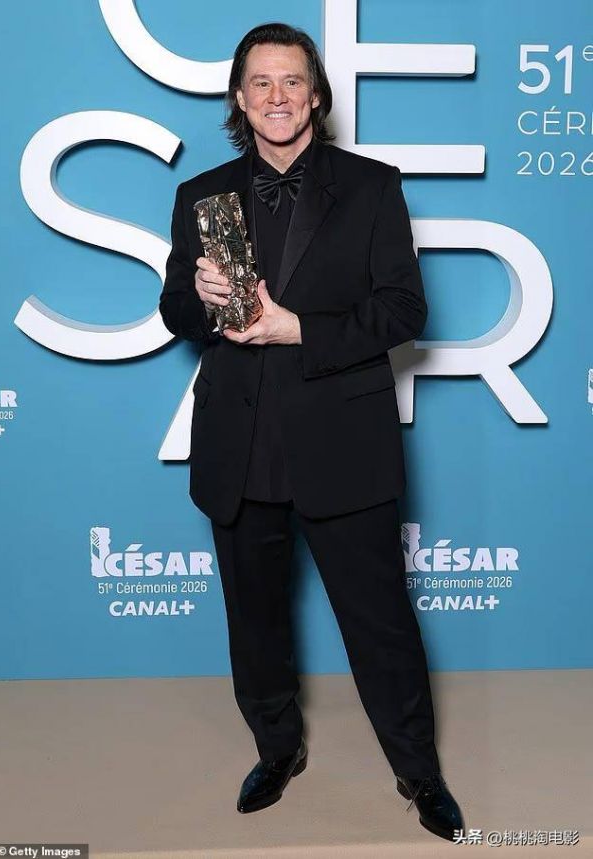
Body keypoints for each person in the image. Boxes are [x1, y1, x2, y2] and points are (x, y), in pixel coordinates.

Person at [159, 21, 465, 843]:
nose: (277, 96)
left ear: (317, 95)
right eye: (260, 82)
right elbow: (174, 309)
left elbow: (404, 309)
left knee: (380, 622)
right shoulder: (201, 196)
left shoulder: (372, 187)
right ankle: (277, 748)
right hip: (239, 443)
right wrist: (203, 302)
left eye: (292, 80)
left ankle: (419, 770)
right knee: (255, 620)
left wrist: (299, 329)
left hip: (342, 440)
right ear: (238, 97)